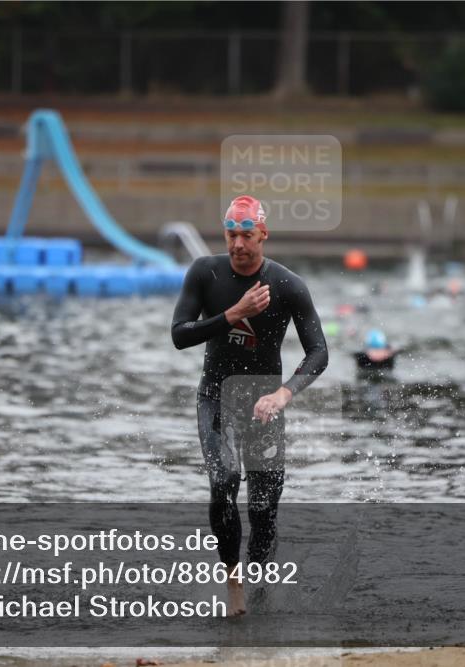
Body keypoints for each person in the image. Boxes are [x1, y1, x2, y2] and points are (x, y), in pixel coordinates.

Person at [171, 195, 328, 615]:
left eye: (247, 235)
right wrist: (233, 313)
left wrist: (284, 394)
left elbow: (319, 353)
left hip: (264, 403)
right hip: (216, 397)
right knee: (223, 482)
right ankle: (235, 587)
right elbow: (180, 335)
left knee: (263, 511)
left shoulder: (288, 285)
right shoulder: (205, 273)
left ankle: (260, 593)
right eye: (231, 234)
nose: (238, 244)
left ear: (263, 234)